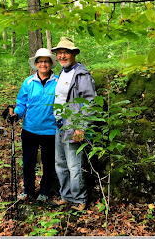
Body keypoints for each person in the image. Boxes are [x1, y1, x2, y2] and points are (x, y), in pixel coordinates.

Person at [50, 37, 96, 211]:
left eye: (66, 52)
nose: (62, 56)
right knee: (60, 164)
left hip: (74, 126)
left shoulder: (81, 74)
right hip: (59, 124)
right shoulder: (62, 72)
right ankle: (66, 196)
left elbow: (90, 102)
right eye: (60, 52)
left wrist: (81, 126)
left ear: (74, 54)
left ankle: (80, 199)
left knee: (74, 166)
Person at [8, 48, 58, 202]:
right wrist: (15, 114)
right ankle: (28, 191)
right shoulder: (28, 82)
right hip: (30, 130)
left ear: (50, 63)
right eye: (40, 61)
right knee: (28, 163)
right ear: (36, 64)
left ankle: (44, 191)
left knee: (48, 164)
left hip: (50, 130)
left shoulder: (58, 82)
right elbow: (21, 104)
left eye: (46, 61)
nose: (43, 64)